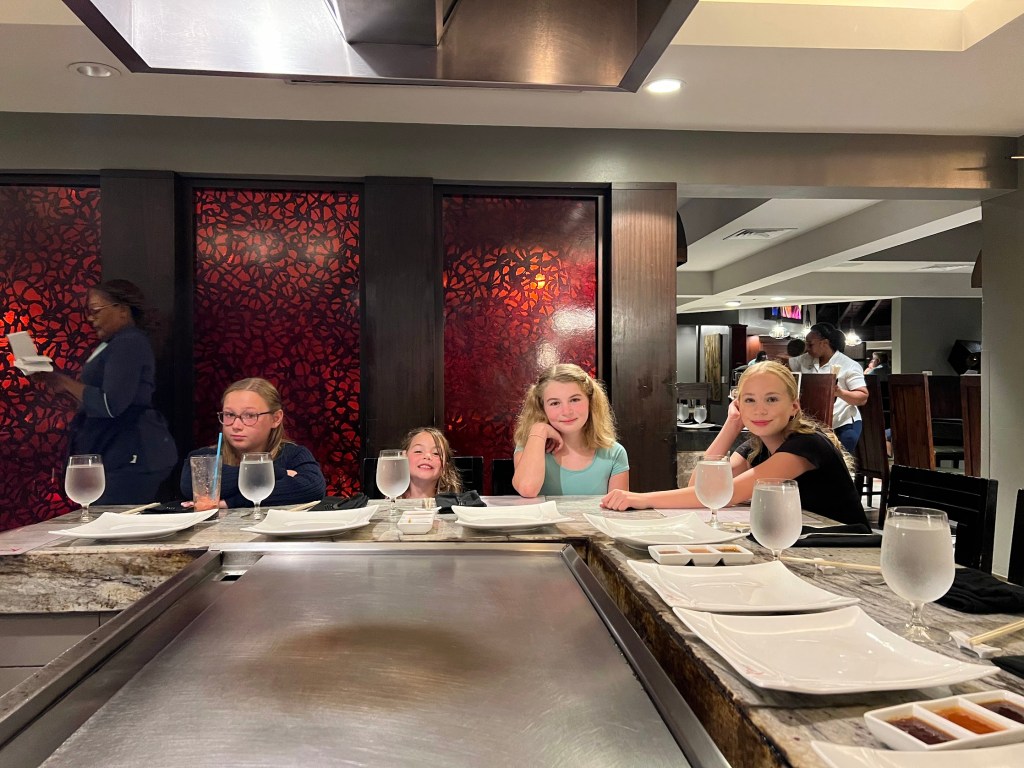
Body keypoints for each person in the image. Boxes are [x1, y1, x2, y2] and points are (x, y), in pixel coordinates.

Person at [601, 361, 867, 525]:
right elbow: (701, 487)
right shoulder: (756, 447)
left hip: (848, 549)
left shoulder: (807, 445)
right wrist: (732, 424)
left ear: (794, 406)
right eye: (749, 400)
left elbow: (728, 494)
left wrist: (643, 499)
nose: (760, 409)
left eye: (772, 399)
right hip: (807, 544)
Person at [34, 280, 177, 504]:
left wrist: (65, 382)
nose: (91, 319)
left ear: (122, 310)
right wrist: (60, 384)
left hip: (131, 452)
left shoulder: (129, 342)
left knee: (112, 517)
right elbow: (99, 401)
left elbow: (110, 404)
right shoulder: (116, 343)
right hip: (120, 450)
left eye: (96, 311)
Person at [181, 377, 326, 508]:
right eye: (229, 414)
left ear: (276, 419)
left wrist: (231, 502)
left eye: (249, 415)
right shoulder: (205, 456)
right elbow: (192, 486)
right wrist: (275, 473)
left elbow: (312, 488)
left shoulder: (294, 454)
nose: (236, 425)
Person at [512, 363, 629, 497]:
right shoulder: (529, 446)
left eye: (574, 400)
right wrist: (540, 429)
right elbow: (527, 489)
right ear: (541, 408)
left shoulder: (614, 453)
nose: (566, 412)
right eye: (555, 403)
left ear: (590, 401)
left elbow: (617, 507)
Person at [789, 322, 868, 454]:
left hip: (842, 421)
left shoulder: (849, 365)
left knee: (840, 455)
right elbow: (785, 364)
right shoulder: (805, 360)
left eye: (810, 344)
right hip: (814, 421)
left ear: (824, 343)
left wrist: (839, 392)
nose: (807, 348)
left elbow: (862, 397)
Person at [400, 427, 463, 499]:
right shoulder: (391, 502)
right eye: (418, 451)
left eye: (436, 453)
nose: (427, 456)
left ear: (445, 465)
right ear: (404, 457)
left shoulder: (454, 504)